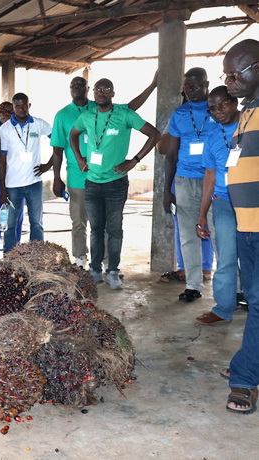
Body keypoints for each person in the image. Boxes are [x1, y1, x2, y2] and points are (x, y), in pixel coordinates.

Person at [40, 75, 157, 269]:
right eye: (73, 86)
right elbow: (58, 148)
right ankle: (79, 258)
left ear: (88, 89)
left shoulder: (101, 105)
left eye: (81, 85)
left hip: (105, 178)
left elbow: (131, 108)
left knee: (103, 225)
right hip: (78, 177)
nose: (77, 88)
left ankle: (104, 261)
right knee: (79, 222)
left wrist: (152, 86)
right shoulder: (62, 115)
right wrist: (57, 177)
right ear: (70, 89)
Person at [70, 79, 160, 289]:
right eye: (98, 90)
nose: (101, 93)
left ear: (113, 93)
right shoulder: (86, 116)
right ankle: (95, 270)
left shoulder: (124, 114)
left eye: (106, 89)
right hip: (92, 183)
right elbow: (73, 134)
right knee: (96, 229)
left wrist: (134, 161)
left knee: (114, 228)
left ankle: (112, 271)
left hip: (116, 184)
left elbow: (154, 134)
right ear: (93, 94)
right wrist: (79, 158)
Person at [223, 39, 259, 414]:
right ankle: (247, 361)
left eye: (236, 74)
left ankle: (245, 378)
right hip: (247, 227)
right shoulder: (247, 112)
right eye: (226, 76)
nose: (229, 83)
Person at [163, 68, 216, 303]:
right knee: (187, 235)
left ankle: (234, 290)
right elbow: (171, 154)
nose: (190, 88)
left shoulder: (219, 110)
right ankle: (194, 285)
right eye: (187, 84)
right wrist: (167, 190)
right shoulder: (179, 114)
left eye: (195, 84)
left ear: (207, 85)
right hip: (184, 181)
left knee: (218, 233)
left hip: (213, 180)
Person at [195, 86, 241, 325]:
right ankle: (223, 309)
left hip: (252, 201)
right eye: (213, 107)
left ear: (235, 102)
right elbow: (210, 177)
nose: (218, 110)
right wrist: (202, 215)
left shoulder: (251, 125)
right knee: (225, 258)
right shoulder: (212, 136)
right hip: (223, 201)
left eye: (223, 104)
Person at [0, 93, 52, 251]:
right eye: (17, 106)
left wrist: (47, 165)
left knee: (37, 223)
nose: (21, 109)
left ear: (29, 105)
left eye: (24, 105)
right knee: (10, 225)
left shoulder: (39, 124)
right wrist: (3, 189)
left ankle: (36, 258)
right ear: (13, 108)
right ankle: (10, 259)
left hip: (34, 183)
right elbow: (2, 161)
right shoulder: (5, 129)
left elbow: (58, 142)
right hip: (13, 185)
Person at [0, 102, 23, 263]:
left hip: (17, 183)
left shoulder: (20, 132)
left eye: (9, 112)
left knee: (15, 220)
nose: (5, 115)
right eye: (2, 112)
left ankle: (13, 254)